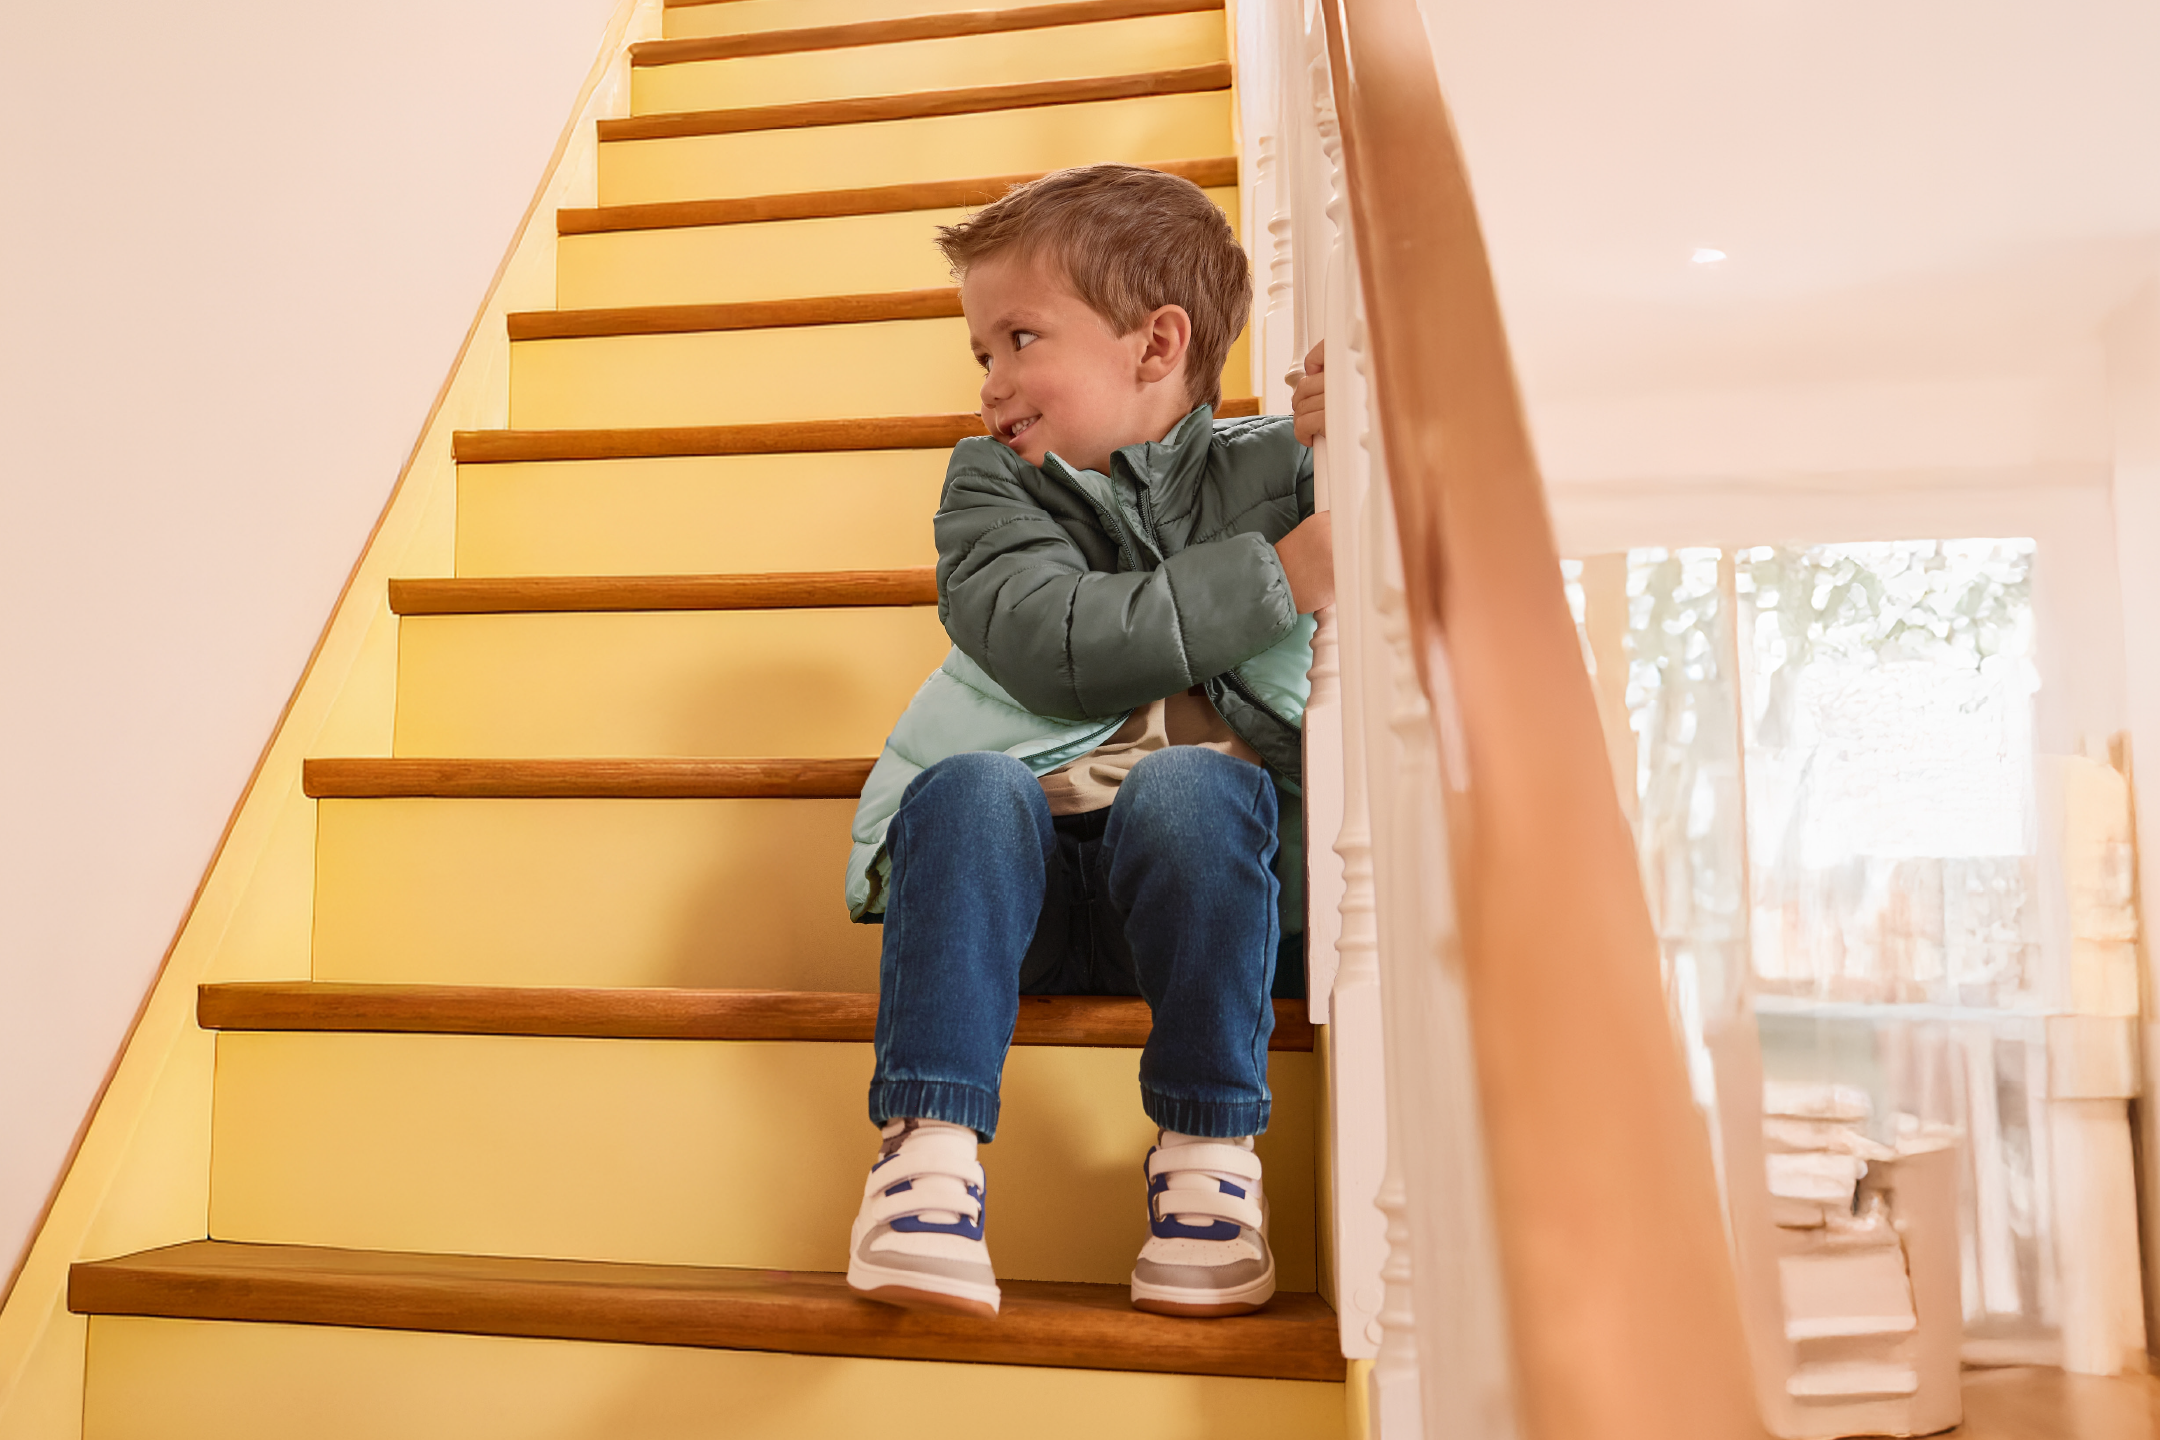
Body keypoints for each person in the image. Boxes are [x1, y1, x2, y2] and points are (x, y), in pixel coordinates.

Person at [839, 163, 1330, 1321]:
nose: (991, 386)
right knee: (967, 789)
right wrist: (1282, 576)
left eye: (1018, 339)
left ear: (1156, 345)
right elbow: (1058, 637)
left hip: (1201, 891)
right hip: (1024, 897)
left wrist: (1354, 418)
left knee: (1190, 791)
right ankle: (927, 1159)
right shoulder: (990, 492)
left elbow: (1427, 495)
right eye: (981, 354)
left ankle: (1208, 1160)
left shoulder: (1274, 471)